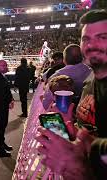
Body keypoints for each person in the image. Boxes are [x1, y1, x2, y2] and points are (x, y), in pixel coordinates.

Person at [36, 10, 107, 179]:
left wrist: (81, 170)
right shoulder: (91, 81)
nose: (92, 45)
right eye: (86, 39)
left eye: (103, 37)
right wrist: (73, 132)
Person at [42, 44, 92, 110]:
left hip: (64, 116)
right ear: (82, 57)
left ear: (64, 59)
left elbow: (46, 104)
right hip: (88, 114)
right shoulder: (92, 73)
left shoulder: (56, 76)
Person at [0, 60, 15, 157]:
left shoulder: (1, 76)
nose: (6, 67)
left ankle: (2, 144)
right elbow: (0, 95)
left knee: (3, 126)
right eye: (4, 65)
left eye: (6, 65)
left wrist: (11, 99)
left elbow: (6, 91)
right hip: (0, 106)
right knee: (1, 127)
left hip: (2, 105)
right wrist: (9, 102)